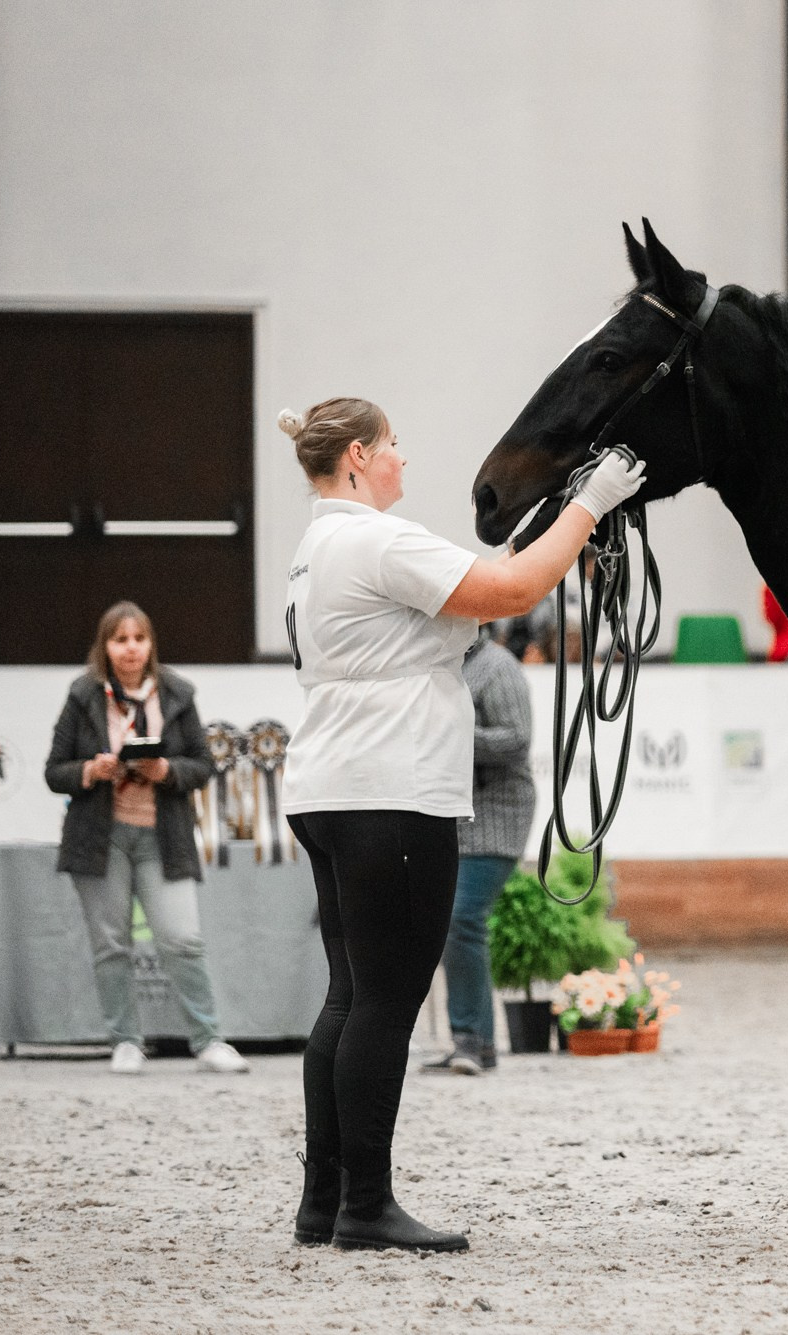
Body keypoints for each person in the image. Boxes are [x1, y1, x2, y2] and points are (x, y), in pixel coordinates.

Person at [276, 397, 642, 1252]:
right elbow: (512, 589)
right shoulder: (376, 539)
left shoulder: (319, 546)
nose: (406, 458)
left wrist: (557, 516)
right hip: (391, 787)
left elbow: (482, 582)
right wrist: (596, 502)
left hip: (332, 782)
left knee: (351, 993)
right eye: (395, 444)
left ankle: (324, 1200)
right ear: (361, 456)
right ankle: (366, 1203)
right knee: (388, 1001)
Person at [42, 601, 251, 1076]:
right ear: (105, 646)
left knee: (182, 938)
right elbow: (54, 772)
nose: (131, 648)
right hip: (100, 837)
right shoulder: (82, 695)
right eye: (120, 639)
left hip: (163, 835)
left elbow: (202, 765)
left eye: (139, 639)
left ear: (151, 644)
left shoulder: (177, 692)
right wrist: (91, 770)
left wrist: (166, 770)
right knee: (111, 943)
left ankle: (208, 1039)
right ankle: (125, 1042)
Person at [420, 627, 535, 1076]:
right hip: (450, 814)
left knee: (462, 919)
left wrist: (450, 733)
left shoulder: (498, 667)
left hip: (496, 816)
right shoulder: (440, 666)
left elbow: (516, 738)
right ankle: (476, 1043)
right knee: (456, 925)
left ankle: (470, 1038)